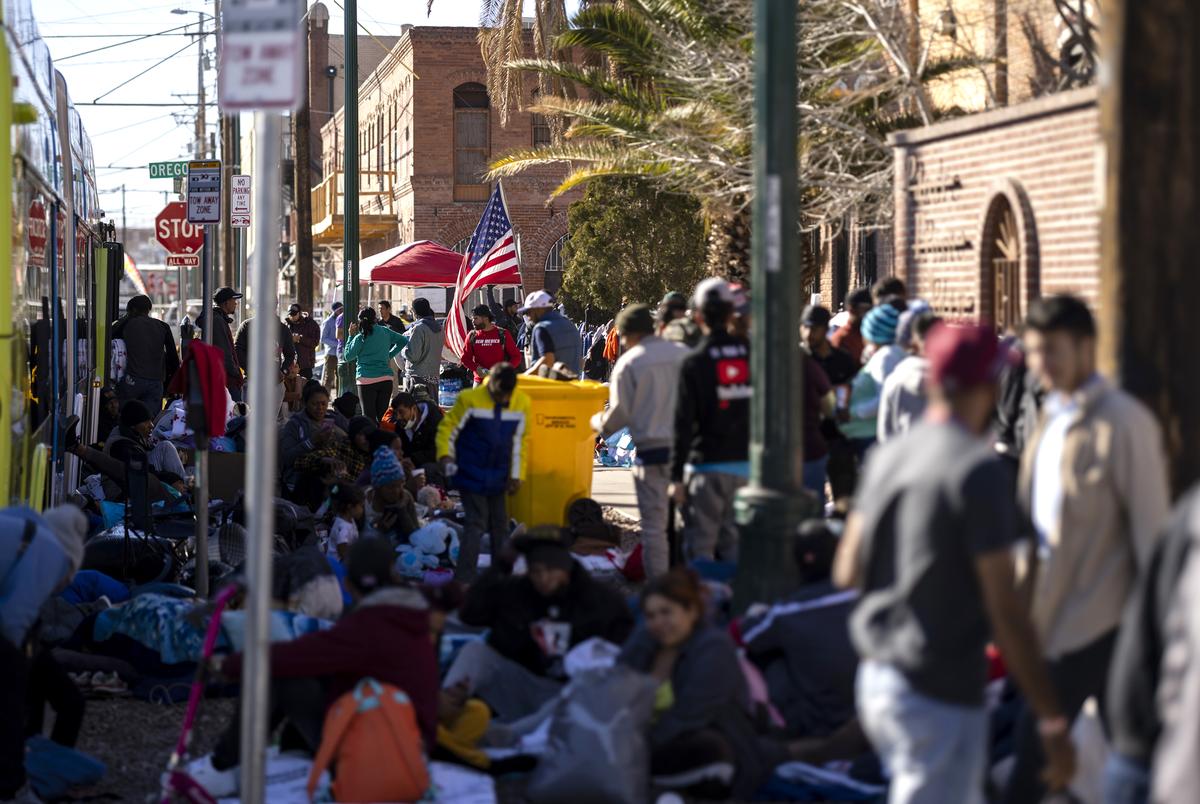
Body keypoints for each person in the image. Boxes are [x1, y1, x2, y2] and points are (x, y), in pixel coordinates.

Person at [833, 324, 1076, 804]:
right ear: (988, 386)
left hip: (878, 677)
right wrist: (1049, 716)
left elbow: (847, 570)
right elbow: (1003, 605)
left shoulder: (889, 457)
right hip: (938, 685)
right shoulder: (978, 470)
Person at [1002, 295, 1170, 804]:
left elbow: (1151, 536)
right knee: (1123, 769)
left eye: (1051, 350)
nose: (1040, 364)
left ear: (1086, 348)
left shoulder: (1123, 423)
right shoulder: (1049, 423)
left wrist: (1155, 640)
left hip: (1106, 626)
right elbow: (1032, 532)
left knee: (1031, 770)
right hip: (1049, 623)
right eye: (1033, 352)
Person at [190, 538, 440, 798]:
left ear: (348, 583)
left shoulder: (367, 626)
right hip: (412, 746)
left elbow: (299, 655)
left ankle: (223, 764)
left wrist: (229, 664)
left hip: (380, 757)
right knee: (305, 669)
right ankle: (291, 746)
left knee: (279, 671)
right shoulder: (413, 616)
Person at [620, 569, 787, 800]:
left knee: (708, 748)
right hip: (648, 744)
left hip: (709, 748)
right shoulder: (649, 640)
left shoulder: (713, 649)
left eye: (666, 612)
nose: (658, 622)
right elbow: (617, 681)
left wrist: (632, 749)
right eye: (650, 615)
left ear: (691, 611)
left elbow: (689, 715)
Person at [442, 528, 634, 724]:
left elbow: (624, 655)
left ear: (565, 570)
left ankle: (513, 735)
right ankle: (443, 714)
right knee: (475, 652)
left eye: (550, 571)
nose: (543, 579)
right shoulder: (517, 592)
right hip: (523, 685)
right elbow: (470, 615)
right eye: (536, 572)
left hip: (570, 698)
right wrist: (501, 565)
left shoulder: (600, 601)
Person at [591, 304, 688, 578]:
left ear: (629, 334)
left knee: (655, 526)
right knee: (692, 521)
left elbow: (620, 415)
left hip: (653, 453)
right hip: (687, 453)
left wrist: (596, 425)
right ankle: (695, 581)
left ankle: (661, 582)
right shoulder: (683, 355)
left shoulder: (630, 363)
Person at [1, 505, 87, 803]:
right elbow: (13, 621)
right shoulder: (51, 551)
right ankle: (13, 789)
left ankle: (27, 772)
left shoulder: (21, 522)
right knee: (11, 694)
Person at [742, 520, 858, 740]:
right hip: (863, 715)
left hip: (813, 724)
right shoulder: (865, 597)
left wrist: (755, 615)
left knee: (764, 656)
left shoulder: (788, 612)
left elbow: (743, 637)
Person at [670, 278, 750, 563]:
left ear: (698, 315)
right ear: (731, 314)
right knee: (736, 547)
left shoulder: (694, 361)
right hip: (745, 467)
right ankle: (736, 602)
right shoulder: (751, 356)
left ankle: (704, 603)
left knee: (701, 548)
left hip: (706, 465)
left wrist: (676, 476)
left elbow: (682, 423)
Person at [436, 363, 530, 582]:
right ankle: (465, 579)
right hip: (471, 473)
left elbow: (520, 443)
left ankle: (501, 577)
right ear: (490, 386)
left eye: (508, 394)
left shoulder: (521, 403)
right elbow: (447, 428)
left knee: (500, 526)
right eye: (500, 394)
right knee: (475, 524)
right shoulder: (469, 399)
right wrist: (445, 455)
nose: (504, 399)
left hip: (499, 475)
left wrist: (517, 475)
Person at [801, 305, 860, 506]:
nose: (809, 334)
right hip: (809, 442)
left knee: (845, 500)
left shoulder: (842, 359)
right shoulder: (800, 361)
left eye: (814, 328)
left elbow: (852, 391)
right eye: (805, 328)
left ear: (824, 329)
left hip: (838, 439)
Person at [840, 303, 905, 459]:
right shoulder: (888, 355)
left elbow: (884, 399)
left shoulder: (886, 358)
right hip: (868, 435)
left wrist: (853, 412)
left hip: (871, 436)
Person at [877, 310, 941, 443]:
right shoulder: (958, 383)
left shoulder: (896, 379)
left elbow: (885, 433)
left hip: (904, 457)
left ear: (914, 341)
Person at [113, 294, 179, 413]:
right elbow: (173, 358)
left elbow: (110, 337)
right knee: (150, 419)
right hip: (156, 382)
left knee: (126, 416)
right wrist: (171, 383)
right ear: (148, 309)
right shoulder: (163, 326)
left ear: (133, 310)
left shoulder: (126, 323)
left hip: (132, 380)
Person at [105, 400, 188, 492]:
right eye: (145, 422)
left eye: (150, 420)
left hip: (136, 479)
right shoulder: (121, 445)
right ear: (133, 425)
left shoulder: (130, 432)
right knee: (166, 447)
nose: (151, 425)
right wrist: (172, 480)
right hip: (122, 491)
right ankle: (186, 493)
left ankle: (186, 489)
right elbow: (143, 471)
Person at [343, 307, 409, 423]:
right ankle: (384, 439)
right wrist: (389, 354)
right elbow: (403, 340)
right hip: (385, 379)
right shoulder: (385, 331)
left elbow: (348, 356)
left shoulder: (360, 337)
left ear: (360, 321)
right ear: (375, 318)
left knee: (368, 418)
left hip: (366, 379)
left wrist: (350, 336)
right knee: (383, 417)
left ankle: (372, 440)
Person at [279, 384, 346, 494]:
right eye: (315, 404)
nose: (320, 408)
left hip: (333, 477)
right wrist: (311, 442)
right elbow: (287, 458)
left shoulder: (333, 419)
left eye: (324, 404)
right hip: (300, 482)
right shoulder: (294, 425)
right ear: (305, 403)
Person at [519, 290, 581, 375]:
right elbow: (580, 361)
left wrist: (524, 377)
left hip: (551, 386)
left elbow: (548, 360)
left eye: (529, 312)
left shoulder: (542, 328)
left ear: (539, 309)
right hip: (573, 385)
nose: (528, 317)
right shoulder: (570, 325)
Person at [199, 287, 244, 401]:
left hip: (224, 378)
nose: (236, 303)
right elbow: (224, 352)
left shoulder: (218, 319)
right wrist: (236, 372)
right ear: (226, 302)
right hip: (226, 380)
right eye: (234, 300)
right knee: (236, 415)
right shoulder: (217, 321)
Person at [460, 304, 521, 385]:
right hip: (479, 381)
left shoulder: (503, 333)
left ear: (485, 318)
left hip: (499, 381)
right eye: (472, 319)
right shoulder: (472, 335)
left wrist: (505, 370)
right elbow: (465, 359)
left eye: (475, 318)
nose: (473, 321)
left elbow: (516, 356)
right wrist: (476, 368)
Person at [401, 298, 445, 400]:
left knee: (416, 412)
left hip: (418, 378)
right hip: (434, 377)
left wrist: (403, 349)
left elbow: (413, 356)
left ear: (415, 312)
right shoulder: (440, 328)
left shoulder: (419, 328)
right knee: (430, 411)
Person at [387, 391, 443, 468]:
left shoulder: (436, 422)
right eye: (396, 413)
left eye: (401, 412)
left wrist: (412, 460)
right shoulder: (400, 425)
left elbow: (437, 452)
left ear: (413, 408)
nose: (398, 417)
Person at [235, 315, 296, 380]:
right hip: (252, 380)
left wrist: (283, 371)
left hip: (275, 382)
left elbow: (290, 354)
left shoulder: (283, 329)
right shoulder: (247, 325)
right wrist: (250, 370)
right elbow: (238, 350)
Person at [830, 288, 873, 365]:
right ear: (851, 310)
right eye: (865, 309)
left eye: (870, 309)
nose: (868, 314)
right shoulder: (842, 339)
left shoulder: (872, 334)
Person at [325, 483, 364, 562]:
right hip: (336, 567)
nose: (362, 510)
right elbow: (343, 554)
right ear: (350, 507)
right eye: (361, 506)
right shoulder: (344, 528)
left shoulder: (349, 520)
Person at [286, 303, 322, 380]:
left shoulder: (311, 324)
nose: (292, 317)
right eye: (290, 315)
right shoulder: (287, 325)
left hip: (305, 364)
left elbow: (315, 342)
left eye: (294, 314)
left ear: (299, 313)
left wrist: (300, 339)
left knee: (305, 388)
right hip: (290, 365)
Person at [320, 301, 343, 390]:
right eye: (340, 309)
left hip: (341, 353)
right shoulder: (328, 322)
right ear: (335, 311)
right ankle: (325, 397)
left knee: (340, 377)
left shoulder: (342, 320)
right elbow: (323, 338)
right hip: (331, 354)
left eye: (342, 309)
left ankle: (340, 398)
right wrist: (337, 344)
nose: (342, 311)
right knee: (329, 377)